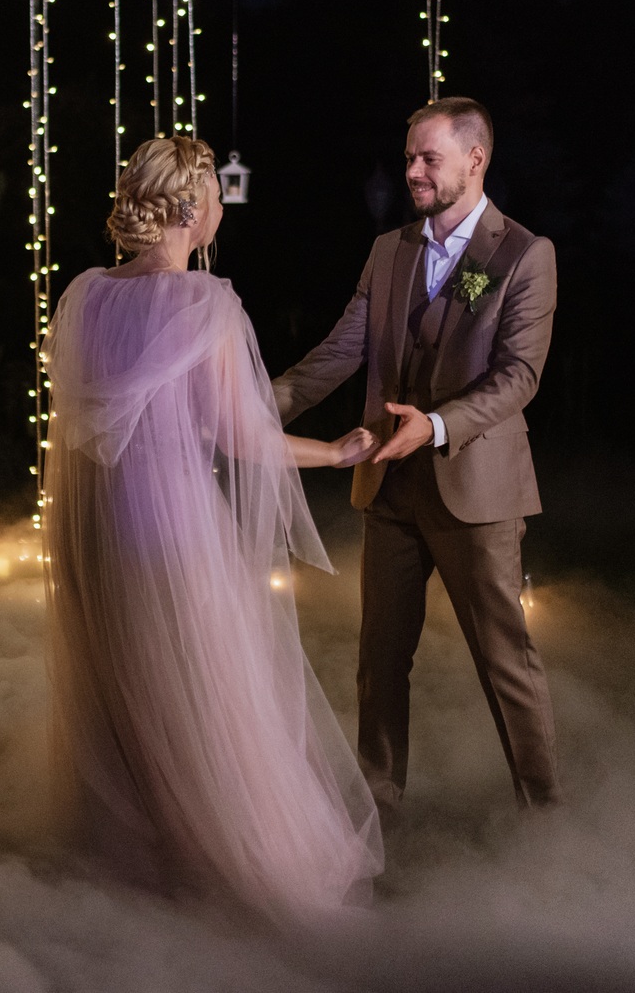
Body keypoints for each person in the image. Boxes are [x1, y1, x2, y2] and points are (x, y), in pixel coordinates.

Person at [43, 136, 382, 923]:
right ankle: (225, 870)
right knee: (203, 697)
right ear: (192, 209)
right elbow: (237, 435)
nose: (221, 208)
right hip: (168, 530)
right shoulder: (203, 303)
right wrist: (333, 450)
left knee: (128, 694)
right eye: (216, 196)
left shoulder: (84, 295)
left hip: (93, 535)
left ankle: (139, 865)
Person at [273, 97, 560, 814]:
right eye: (409, 158)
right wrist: (251, 407)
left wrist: (433, 425)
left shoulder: (524, 254)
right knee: (378, 662)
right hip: (390, 491)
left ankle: (545, 809)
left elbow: (518, 378)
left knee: (505, 662)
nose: (413, 172)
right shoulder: (389, 250)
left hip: (477, 493)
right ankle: (379, 805)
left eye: (429, 157)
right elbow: (341, 350)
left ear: (476, 158)